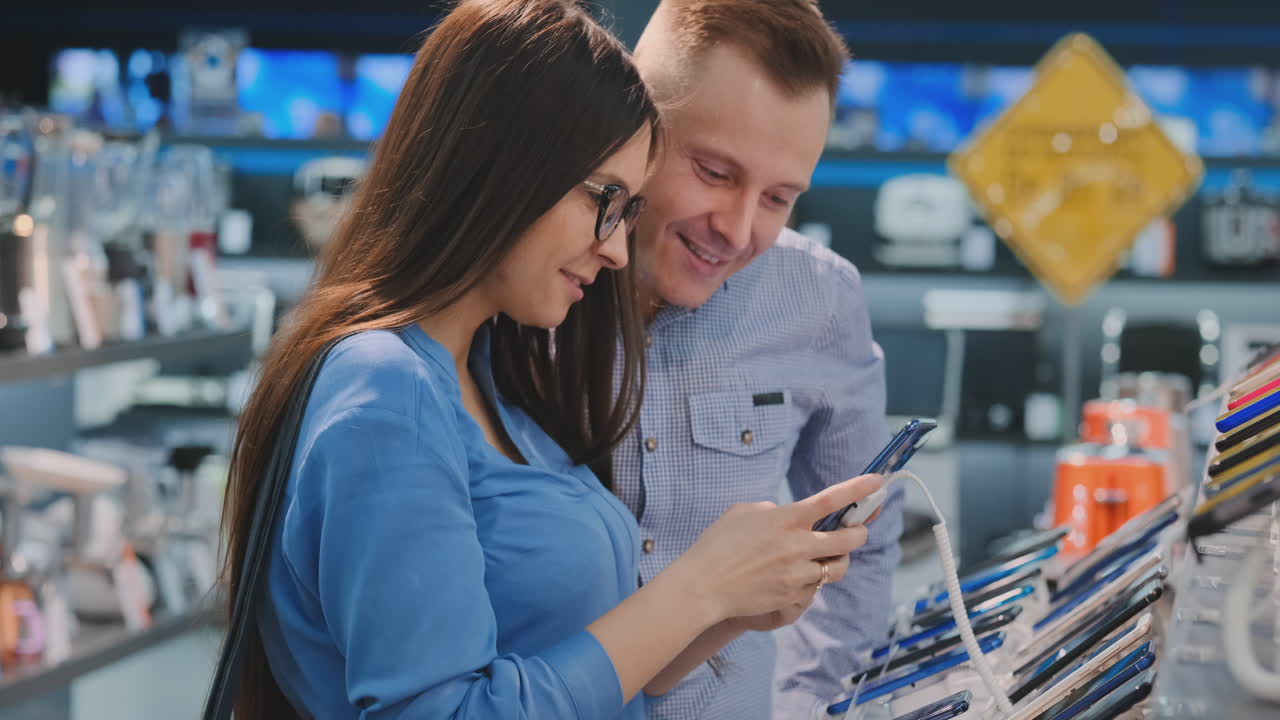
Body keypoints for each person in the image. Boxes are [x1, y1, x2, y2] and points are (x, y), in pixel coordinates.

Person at [217, 1, 881, 718]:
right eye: (608, 200)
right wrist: (702, 588)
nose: (616, 249)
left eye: (779, 197)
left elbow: (557, 651)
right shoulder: (391, 387)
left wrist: (726, 604)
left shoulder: (488, 376)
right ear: (507, 166)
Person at [619, 2, 904, 717]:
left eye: (779, 198)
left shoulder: (820, 298)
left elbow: (860, 543)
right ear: (634, 128)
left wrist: (814, 705)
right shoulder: (528, 284)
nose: (739, 231)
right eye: (715, 173)